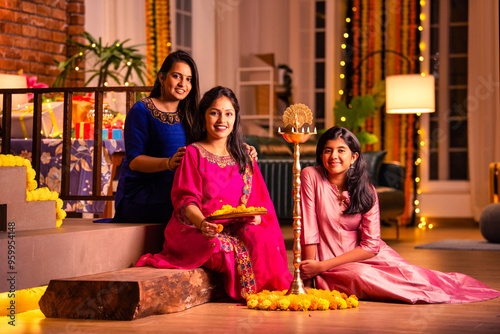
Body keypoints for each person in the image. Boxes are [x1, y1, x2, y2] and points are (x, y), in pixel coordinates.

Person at [299, 126, 500, 304]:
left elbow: (371, 245)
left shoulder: (366, 189)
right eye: (328, 150)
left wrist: (321, 266)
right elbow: (309, 228)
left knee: (411, 275)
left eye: (341, 150)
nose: (334, 156)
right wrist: (311, 272)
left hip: (364, 255)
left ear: (354, 157)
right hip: (328, 262)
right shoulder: (311, 175)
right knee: (362, 276)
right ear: (321, 155)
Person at [136, 86, 292, 300]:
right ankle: (248, 293)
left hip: (237, 225)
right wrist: (203, 224)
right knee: (220, 247)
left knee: (264, 238)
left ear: (236, 118)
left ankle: (270, 295)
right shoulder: (193, 153)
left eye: (228, 113)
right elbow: (186, 200)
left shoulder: (243, 155)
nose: (222, 120)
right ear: (203, 116)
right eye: (214, 112)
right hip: (197, 228)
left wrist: (254, 216)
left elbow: (255, 199)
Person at [108, 51, 255, 224]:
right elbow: (134, 161)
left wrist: (238, 146)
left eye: (188, 79)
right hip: (142, 195)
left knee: (221, 202)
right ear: (161, 77)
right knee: (201, 208)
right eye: (176, 76)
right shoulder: (141, 110)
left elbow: (211, 140)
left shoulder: (190, 113)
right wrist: (168, 163)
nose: (182, 84)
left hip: (184, 189)